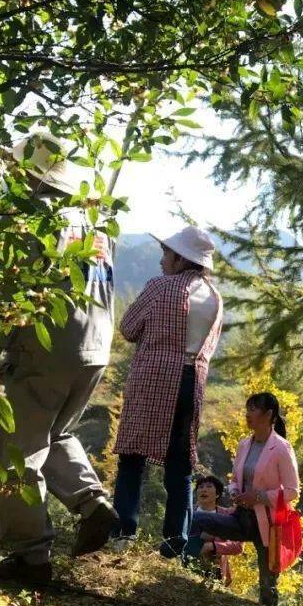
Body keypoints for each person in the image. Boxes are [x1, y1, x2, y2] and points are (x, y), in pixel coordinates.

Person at [0, 132, 119, 587]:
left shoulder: (33, 217)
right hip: (94, 345)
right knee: (54, 431)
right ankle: (92, 503)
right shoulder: (94, 219)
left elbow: (12, 290)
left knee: (16, 449)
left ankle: (31, 557)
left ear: (27, 172)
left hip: (46, 344)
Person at [110, 225, 224, 558]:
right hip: (192, 381)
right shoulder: (215, 299)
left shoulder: (159, 287)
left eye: (166, 253)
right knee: (180, 465)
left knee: (133, 455)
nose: (162, 260)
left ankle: (124, 531)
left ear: (180, 257)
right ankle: (175, 543)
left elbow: (129, 328)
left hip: (154, 379)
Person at [189, 393, 299, 606]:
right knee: (198, 520)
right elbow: (234, 480)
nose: (248, 414)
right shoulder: (244, 444)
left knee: (267, 584)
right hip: (242, 517)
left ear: (268, 415)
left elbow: (293, 491)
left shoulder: (282, 447)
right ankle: (188, 570)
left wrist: (258, 496)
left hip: (268, 524)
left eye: (253, 409)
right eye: (247, 409)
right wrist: (233, 492)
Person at [184, 474, 243, 586]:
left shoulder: (227, 516)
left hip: (215, 570)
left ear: (217, 494)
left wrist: (212, 546)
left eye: (209, 487)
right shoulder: (187, 512)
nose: (204, 490)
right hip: (187, 562)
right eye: (200, 487)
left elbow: (238, 546)